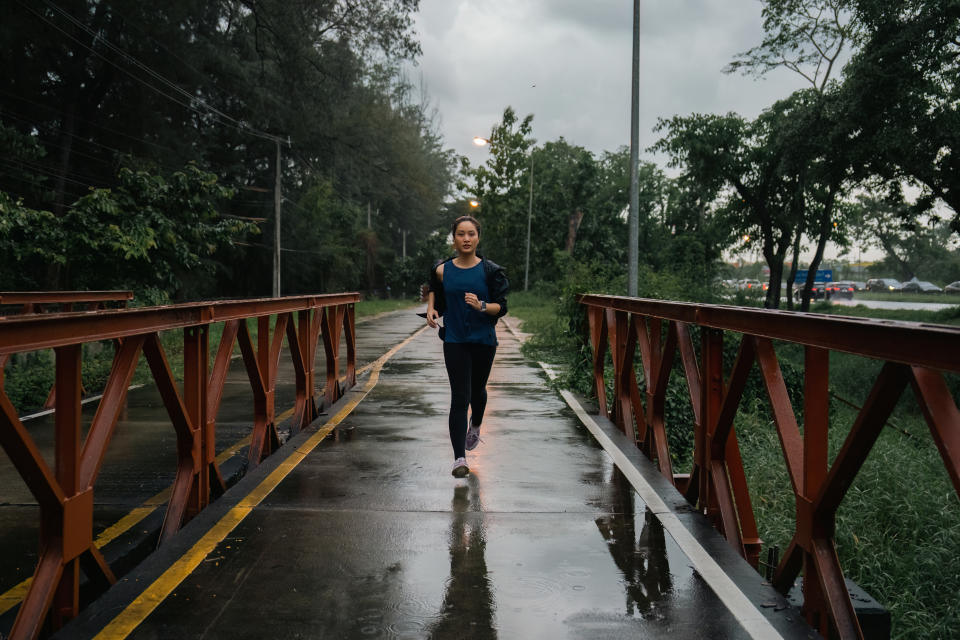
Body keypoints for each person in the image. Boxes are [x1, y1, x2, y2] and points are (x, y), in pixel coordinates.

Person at [425, 215, 509, 478]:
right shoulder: (442, 269)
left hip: (484, 340)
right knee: (459, 397)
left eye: (471, 234)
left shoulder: (490, 271)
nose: (466, 239)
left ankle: (477, 424)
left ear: (478, 237)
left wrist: (481, 306)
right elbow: (435, 290)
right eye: (461, 234)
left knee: (477, 391)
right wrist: (431, 309)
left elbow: (501, 307)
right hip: (455, 341)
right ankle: (459, 458)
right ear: (454, 238)